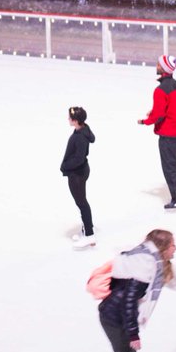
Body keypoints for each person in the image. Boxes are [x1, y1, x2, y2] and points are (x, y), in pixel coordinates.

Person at [97, 229, 176, 352]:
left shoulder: (145, 258)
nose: (175, 248)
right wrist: (133, 333)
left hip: (115, 315)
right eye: (172, 245)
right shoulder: (145, 267)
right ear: (163, 248)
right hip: (116, 320)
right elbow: (129, 301)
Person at [137, 54, 176, 209]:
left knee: (169, 165)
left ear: (164, 69)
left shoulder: (160, 90)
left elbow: (159, 115)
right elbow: (174, 106)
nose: (157, 66)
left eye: (159, 65)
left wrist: (145, 121)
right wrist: (154, 112)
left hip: (168, 132)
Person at [61, 106, 96, 249]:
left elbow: (79, 159)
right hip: (80, 171)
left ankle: (89, 235)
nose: (68, 119)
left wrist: (65, 166)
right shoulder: (82, 130)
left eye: (70, 118)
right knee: (82, 202)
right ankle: (87, 228)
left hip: (77, 174)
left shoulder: (80, 137)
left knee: (82, 203)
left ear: (76, 121)